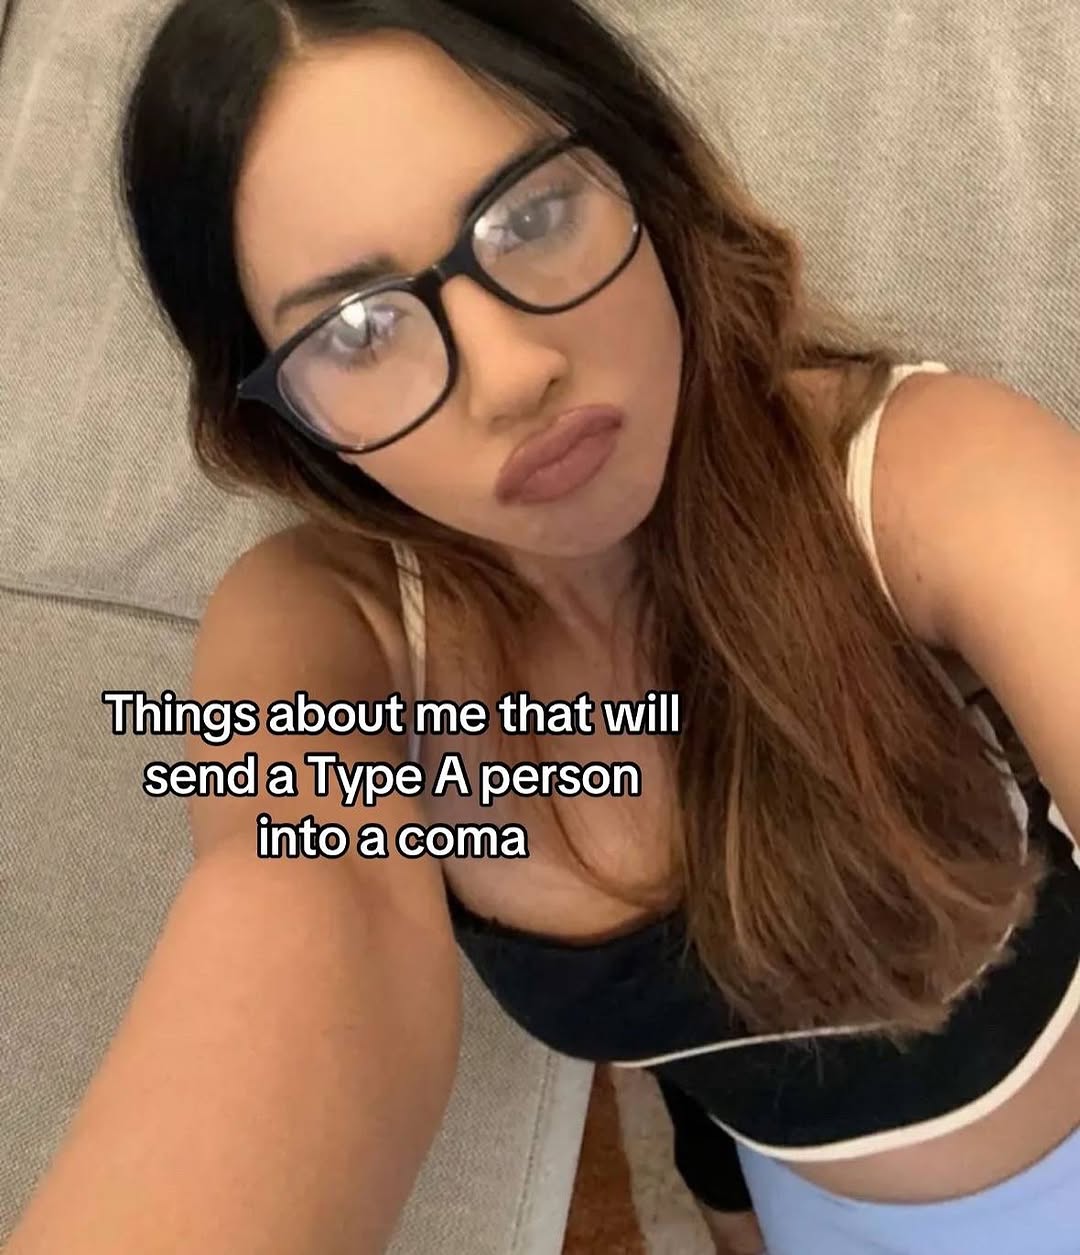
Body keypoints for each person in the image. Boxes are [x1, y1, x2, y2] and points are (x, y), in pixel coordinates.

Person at [7, 2, 1080, 1252]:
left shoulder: (929, 481)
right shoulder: (328, 637)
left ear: (643, 170)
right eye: (357, 329)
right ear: (277, 412)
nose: (514, 374)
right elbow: (293, 913)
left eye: (530, 217)